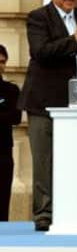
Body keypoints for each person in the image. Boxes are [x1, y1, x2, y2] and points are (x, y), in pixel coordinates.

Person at [18, 0, 77, 231]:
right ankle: (44, 213)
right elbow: (41, 52)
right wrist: (73, 39)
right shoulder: (39, 17)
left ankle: (70, 211)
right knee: (44, 160)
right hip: (44, 102)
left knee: (74, 160)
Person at [0, 45, 21, 221]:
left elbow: (15, 116)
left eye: (2, 62)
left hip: (3, 149)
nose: (0, 65)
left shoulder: (11, 90)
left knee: (3, 195)